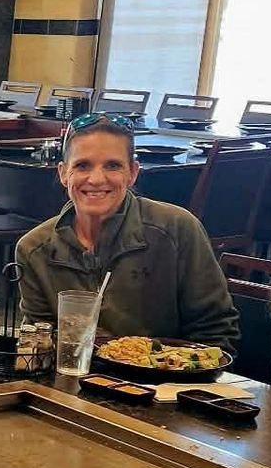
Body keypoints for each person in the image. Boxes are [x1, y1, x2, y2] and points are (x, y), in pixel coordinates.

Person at [14, 113, 239, 348]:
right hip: (71, 379)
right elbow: (38, 342)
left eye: (113, 166)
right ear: (63, 173)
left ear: (132, 173)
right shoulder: (33, 249)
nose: (97, 179)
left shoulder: (177, 229)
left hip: (168, 380)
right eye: (82, 165)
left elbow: (216, 332)